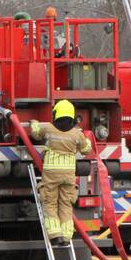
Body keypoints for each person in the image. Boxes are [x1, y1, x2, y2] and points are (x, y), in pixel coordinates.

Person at [30, 99, 91, 246]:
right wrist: (86, 138)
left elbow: (35, 133)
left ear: (56, 114)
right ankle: (66, 236)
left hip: (51, 173)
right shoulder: (77, 134)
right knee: (66, 204)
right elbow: (86, 150)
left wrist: (33, 123)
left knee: (50, 203)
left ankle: (55, 234)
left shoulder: (48, 129)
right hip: (69, 174)